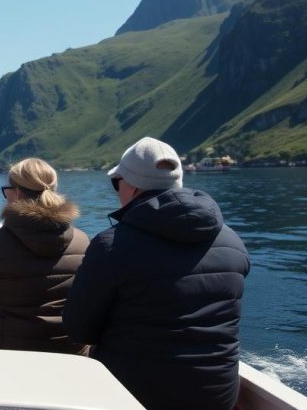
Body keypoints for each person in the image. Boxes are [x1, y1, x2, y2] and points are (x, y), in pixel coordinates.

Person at [63, 137, 250, 410]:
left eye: (117, 182)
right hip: (217, 397)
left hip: (135, 397)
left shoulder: (112, 245)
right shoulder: (233, 240)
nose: (117, 190)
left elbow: (78, 329)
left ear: (133, 186)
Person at [0, 157, 88, 353]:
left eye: (7, 190)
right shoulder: (83, 241)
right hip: (68, 351)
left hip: (9, 350)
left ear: (17, 193)